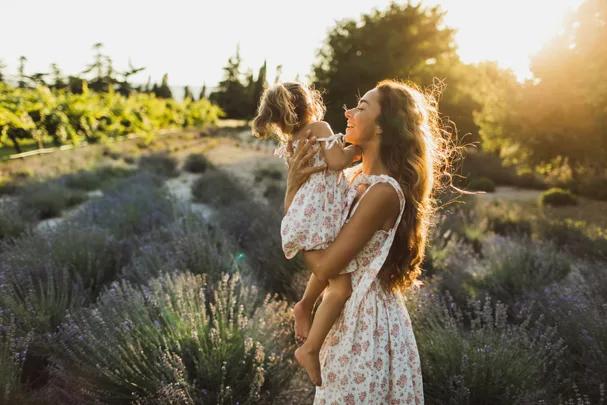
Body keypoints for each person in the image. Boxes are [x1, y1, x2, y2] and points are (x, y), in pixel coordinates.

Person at [284, 79, 454, 403]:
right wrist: (305, 304)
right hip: (344, 315)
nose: (348, 112)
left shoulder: (383, 192)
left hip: (367, 324)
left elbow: (325, 263)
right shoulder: (353, 178)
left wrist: (292, 196)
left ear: (382, 128)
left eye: (361, 108)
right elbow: (326, 248)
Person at [252, 82, 363, 386]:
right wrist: (360, 147)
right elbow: (337, 162)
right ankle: (310, 349)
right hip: (324, 216)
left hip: (306, 214)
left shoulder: (291, 143)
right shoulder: (320, 126)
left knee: (329, 271)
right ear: (309, 103)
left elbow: (299, 184)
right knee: (340, 288)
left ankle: (304, 304)